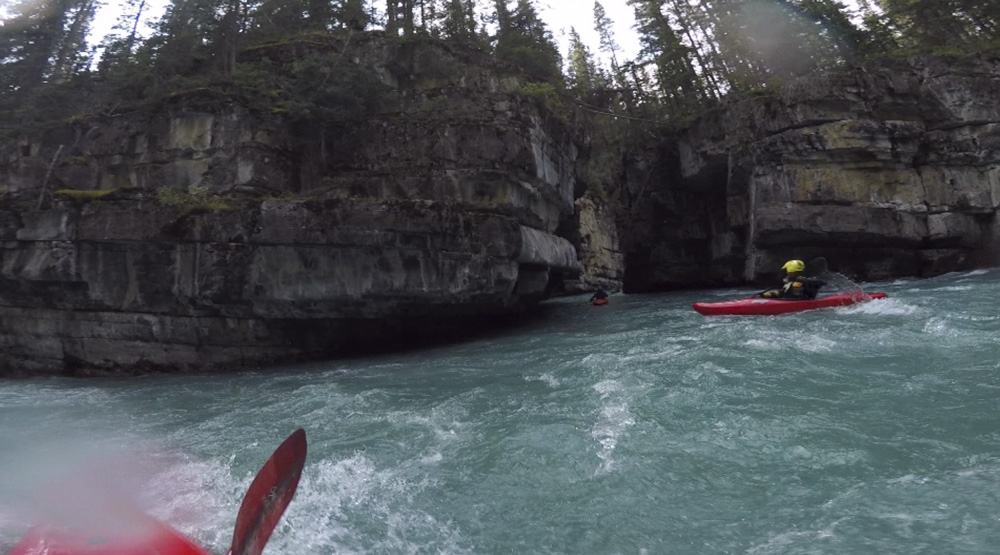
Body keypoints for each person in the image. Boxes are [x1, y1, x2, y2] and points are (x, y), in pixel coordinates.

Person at [760, 259, 826, 299]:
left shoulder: (807, 281)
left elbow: (820, 282)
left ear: (789, 271)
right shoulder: (790, 282)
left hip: (801, 302)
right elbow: (782, 293)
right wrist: (767, 295)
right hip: (788, 300)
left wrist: (795, 279)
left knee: (796, 284)